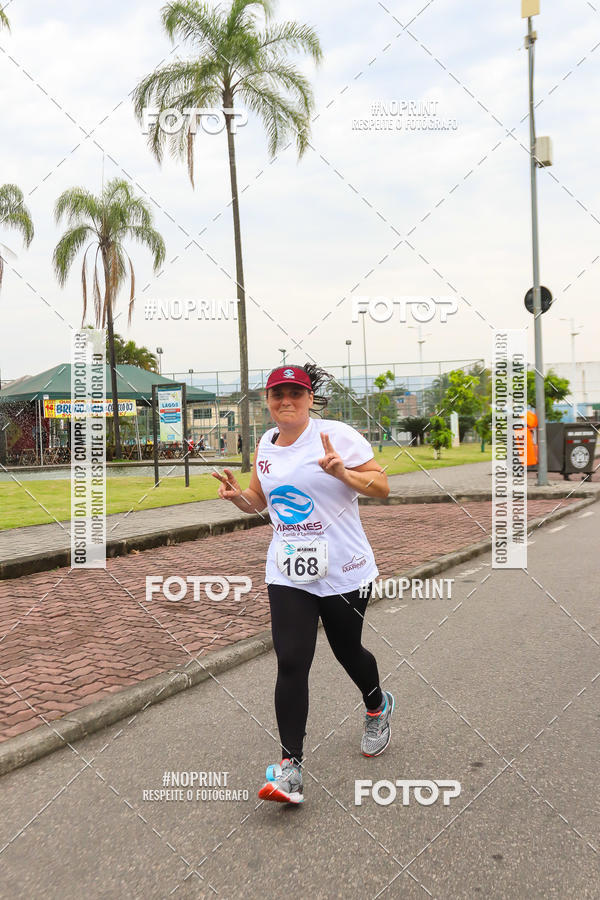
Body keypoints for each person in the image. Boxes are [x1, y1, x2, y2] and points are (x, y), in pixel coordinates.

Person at [212, 363, 393, 806]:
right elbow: (260, 501)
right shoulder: (265, 443)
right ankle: (290, 769)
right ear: (267, 401)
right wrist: (239, 498)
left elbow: (382, 486)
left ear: (310, 398)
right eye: (277, 394)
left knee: (348, 649)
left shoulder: (338, 436)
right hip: (289, 570)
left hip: (344, 569)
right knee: (291, 660)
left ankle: (377, 704)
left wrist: (343, 474)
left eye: (295, 393)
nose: (285, 401)